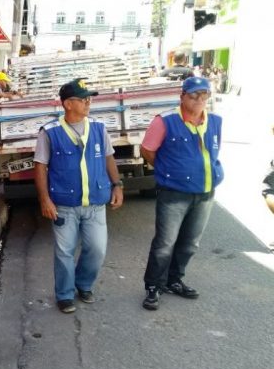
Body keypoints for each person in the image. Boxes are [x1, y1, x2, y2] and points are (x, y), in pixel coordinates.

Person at [34, 78, 123, 314]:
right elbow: (40, 166)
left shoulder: (98, 128)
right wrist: (45, 199)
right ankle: (64, 295)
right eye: (83, 99)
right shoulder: (50, 132)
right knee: (64, 252)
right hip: (64, 204)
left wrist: (117, 184)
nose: (88, 102)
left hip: (95, 202)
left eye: (89, 98)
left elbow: (108, 157)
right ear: (67, 104)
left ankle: (83, 284)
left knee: (97, 248)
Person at [140, 77, 223, 311]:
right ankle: (154, 287)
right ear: (182, 97)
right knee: (165, 243)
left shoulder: (215, 122)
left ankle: (174, 280)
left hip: (205, 192)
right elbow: (146, 150)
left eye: (203, 95)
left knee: (190, 243)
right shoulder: (165, 121)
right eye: (193, 95)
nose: (199, 100)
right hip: (174, 193)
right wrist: (169, 171)